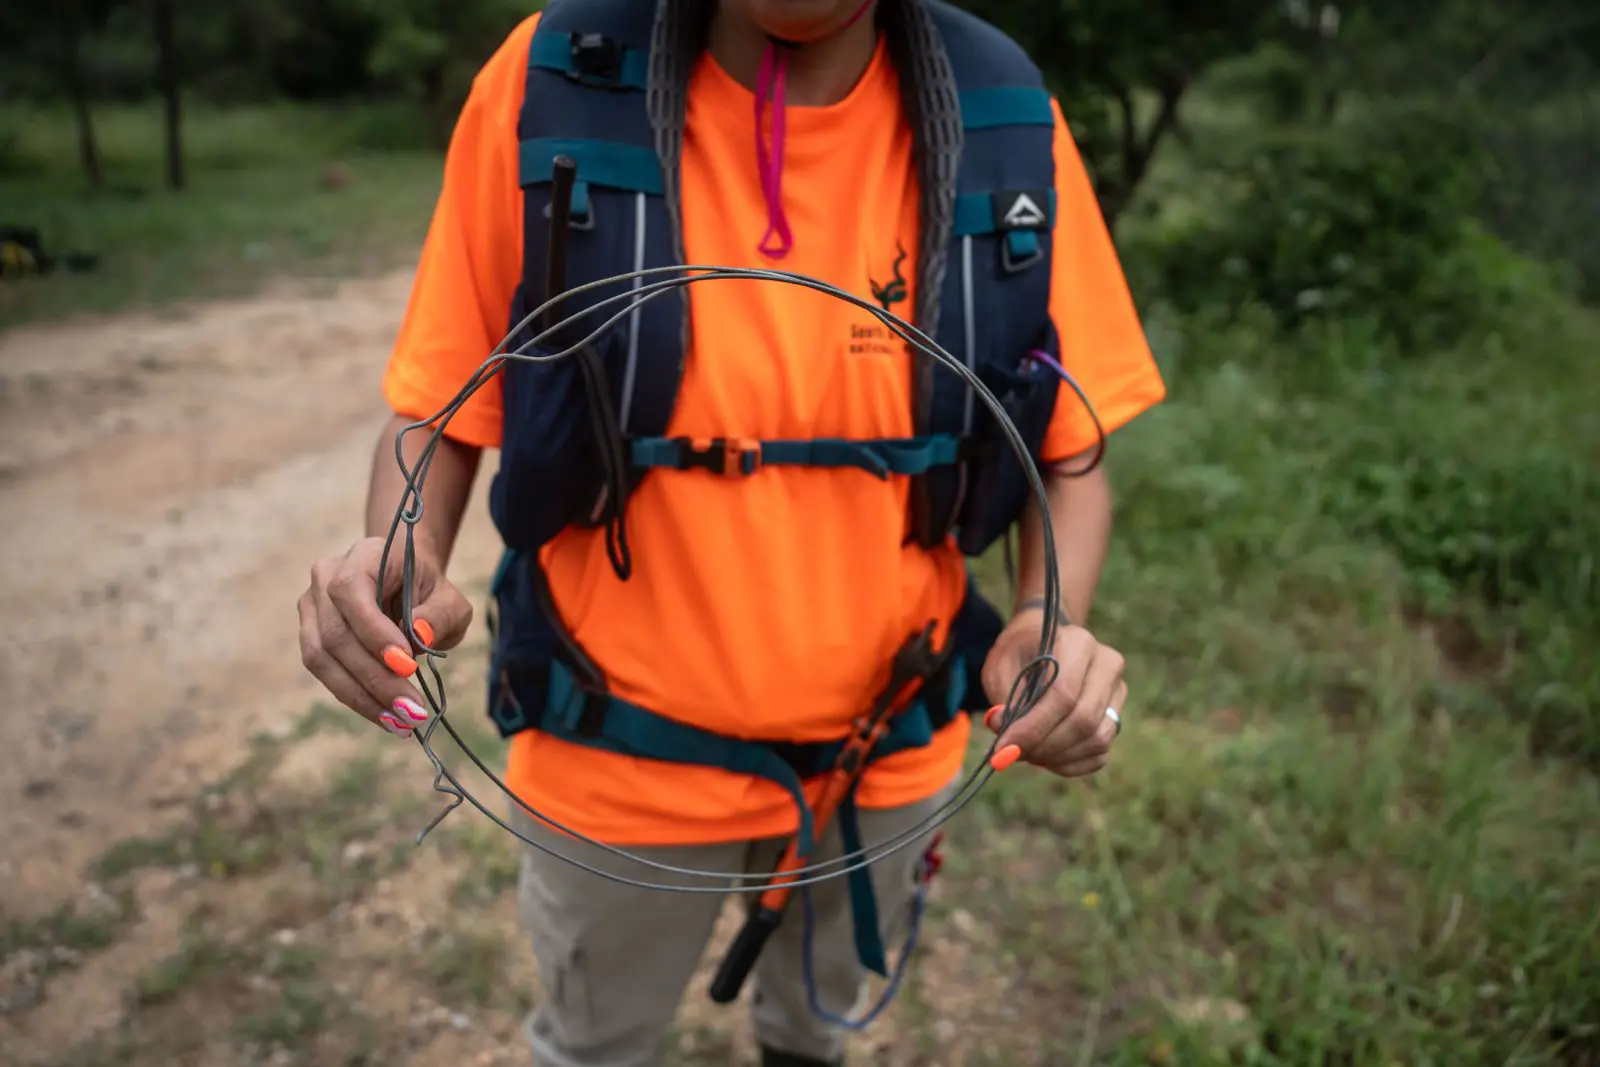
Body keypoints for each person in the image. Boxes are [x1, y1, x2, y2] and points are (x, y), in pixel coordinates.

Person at [297, 0, 1167, 1064]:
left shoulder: (1001, 111)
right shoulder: (553, 78)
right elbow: (437, 409)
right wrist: (404, 549)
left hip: (887, 754)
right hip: (610, 758)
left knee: (814, 1033)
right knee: (594, 1041)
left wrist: (1042, 617)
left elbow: (1068, 456)